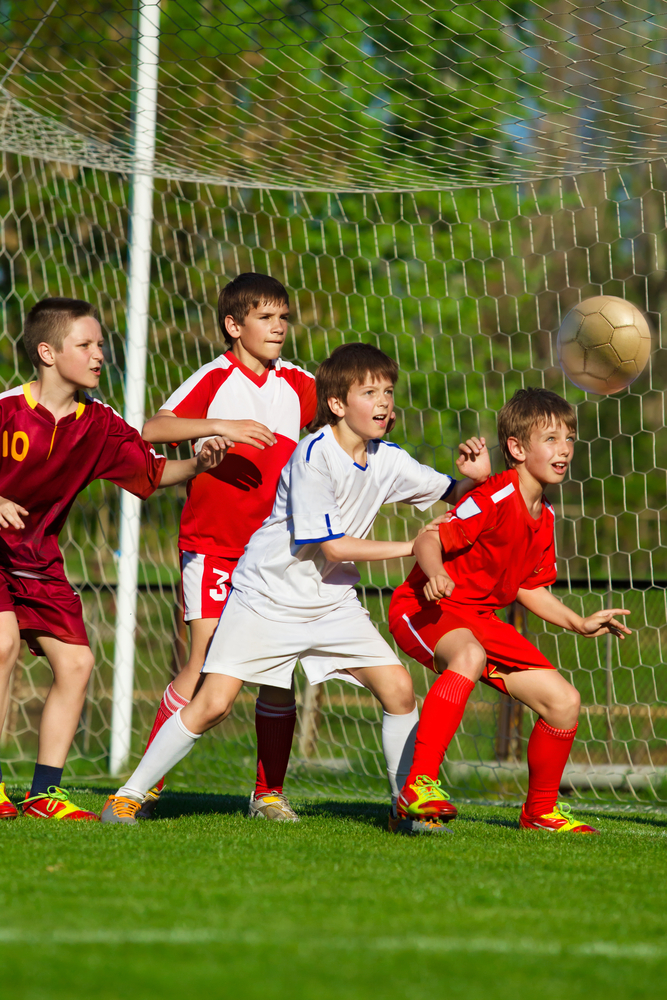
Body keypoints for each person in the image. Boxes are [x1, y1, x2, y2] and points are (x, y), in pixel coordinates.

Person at [101, 342, 490, 834]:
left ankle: (406, 807)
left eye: (388, 391)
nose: (384, 402)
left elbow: (452, 493)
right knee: (213, 703)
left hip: (330, 603)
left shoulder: (387, 457)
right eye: (369, 392)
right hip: (266, 598)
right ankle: (128, 796)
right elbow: (333, 548)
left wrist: (474, 480)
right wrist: (410, 546)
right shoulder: (314, 456)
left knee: (398, 689)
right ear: (335, 404)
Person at [0, 297, 226, 821]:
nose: (99, 354)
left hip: (35, 558)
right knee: (4, 642)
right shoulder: (7, 410)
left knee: (77, 663)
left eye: (100, 344)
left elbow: (150, 473)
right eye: (85, 345)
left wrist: (196, 463)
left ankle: (42, 794)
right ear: (47, 353)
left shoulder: (98, 423)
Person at [388, 387, 631, 835]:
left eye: (570, 438)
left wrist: (578, 622)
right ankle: (417, 785)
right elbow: (427, 538)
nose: (565, 450)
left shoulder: (546, 515)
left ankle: (539, 813)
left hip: (478, 619)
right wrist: (437, 572)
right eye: (552, 439)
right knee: (469, 657)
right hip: (424, 606)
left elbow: (529, 587)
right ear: (517, 448)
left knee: (564, 703)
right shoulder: (496, 495)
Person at [137, 273, 316, 822]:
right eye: (265, 318)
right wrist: (220, 427)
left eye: (283, 317)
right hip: (215, 547)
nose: (279, 327)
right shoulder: (214, 377)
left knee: (279, 672)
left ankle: (267, 795)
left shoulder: (301, 384)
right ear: (234, 326)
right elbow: (151, 428)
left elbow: (345, 414)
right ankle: (142, 786)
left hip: (276, 553)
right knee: (204, 667)